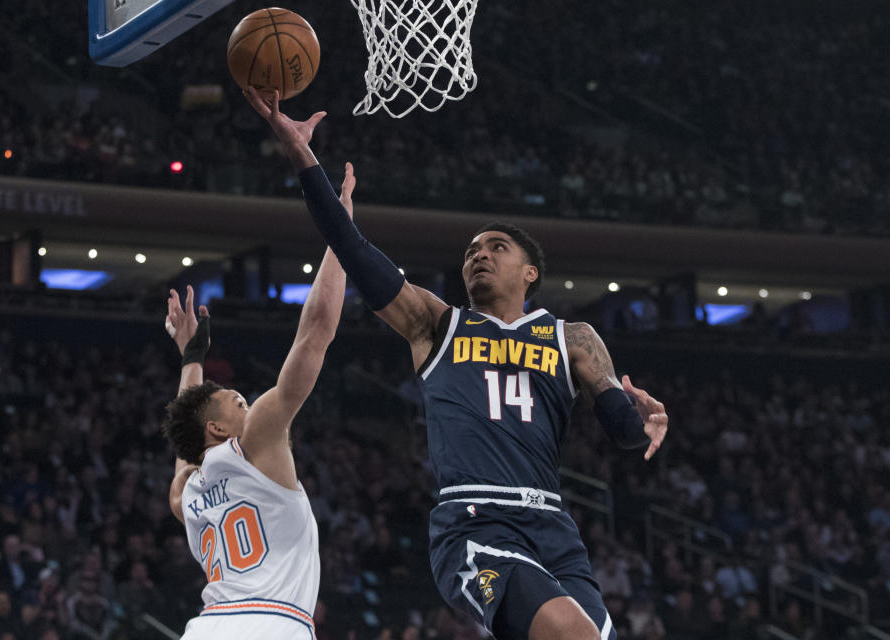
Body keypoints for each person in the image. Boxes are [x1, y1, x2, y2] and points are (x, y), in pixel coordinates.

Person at [245, 87, 669, 640]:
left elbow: (623, 430)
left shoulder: (574, 339)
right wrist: (304, 157)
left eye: (496, 247)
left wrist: (646, 423)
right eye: (472, 249)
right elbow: (353, 250)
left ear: (530, 272)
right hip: (474, 524)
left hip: (554, 529)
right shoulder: (437, 324)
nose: (479, 254)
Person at [161, 165, 355, 639]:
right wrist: (341, 233)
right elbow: (314, 334)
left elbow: (189, 434)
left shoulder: (185, 491)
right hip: (272, 625)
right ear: (220, 429)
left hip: (205, 629)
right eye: (240, 402)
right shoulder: (259, 440)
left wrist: (191, 358)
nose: (250, 405)